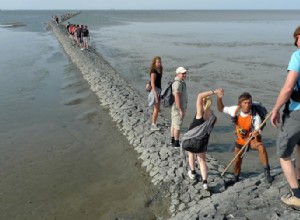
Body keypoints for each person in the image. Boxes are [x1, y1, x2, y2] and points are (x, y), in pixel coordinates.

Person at [271, 25, 300, 208]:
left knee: (283, 153)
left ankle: (297, 195)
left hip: (297, 111)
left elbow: (288, 88)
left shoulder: (297, 56)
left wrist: (275, 109)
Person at [217, 91, 274, 183]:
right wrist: (219, 98)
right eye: (245, 103)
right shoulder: (235, 110)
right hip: (240, 139)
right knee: (237, 161)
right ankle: (235, 178)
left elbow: (258, 133)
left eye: (249, 103)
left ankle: (267, 173)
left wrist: (256, 134)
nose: (248, 105)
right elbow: (221, 108)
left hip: (251, 140)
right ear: (240, 104)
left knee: (261, 147)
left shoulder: (256, 117)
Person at [182, 89, 221, 190]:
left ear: (202, 103)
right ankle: (205, 183)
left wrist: (214, 91)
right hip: (203, 142)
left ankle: (193, 173)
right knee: (202, 161)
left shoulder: (200, 113)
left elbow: (199, 95)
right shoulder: (213, 117)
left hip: (192, 140)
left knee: (191, 154)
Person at [170, 67, 188, 147]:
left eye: (185, 73)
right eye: (183, 73)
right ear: (178, 73)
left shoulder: (179, 82)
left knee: (174, 124)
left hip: (175, 107)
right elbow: (176, 96)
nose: (185, 75)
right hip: (178, 108)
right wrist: (181, 110)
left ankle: (173, 140)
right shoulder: (178, 83)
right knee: (177, 125)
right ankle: (176, 143)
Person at [148, 56, 163, 131]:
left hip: (159, 89)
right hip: (156, 90)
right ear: (154, 63)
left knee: (157, 108)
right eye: (158, 62)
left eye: (160, 62)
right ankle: (153, 125)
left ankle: (154, 122)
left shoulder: (160, 69)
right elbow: (153, 83)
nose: (159, 64)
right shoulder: (153, 71)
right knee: (156, 109)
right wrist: (155, 93)